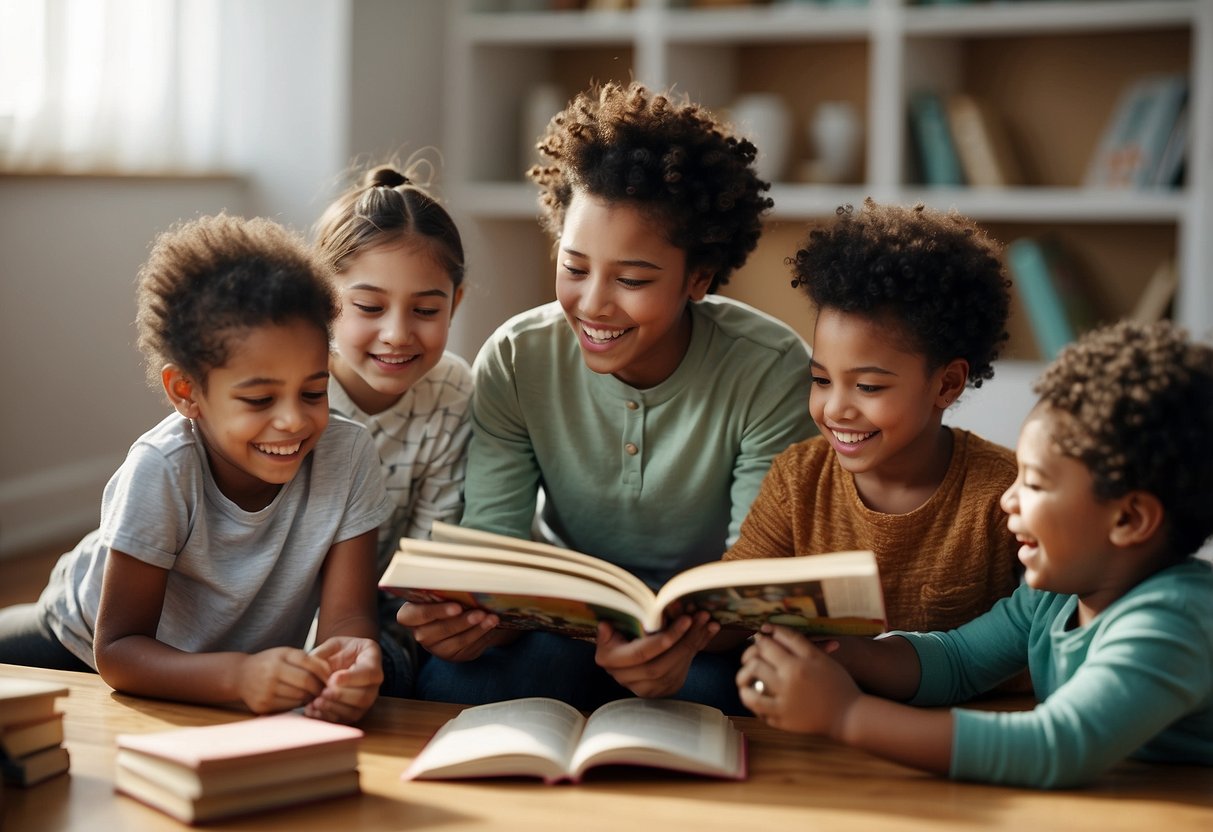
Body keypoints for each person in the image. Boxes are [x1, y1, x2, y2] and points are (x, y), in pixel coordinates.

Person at [398, 80, 815, 713]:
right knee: (457, 681)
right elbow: (495, 546)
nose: (593, 303)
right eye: (574, 266)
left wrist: (683, 644)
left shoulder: (770, 368)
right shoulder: (517, 357)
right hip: (560, 620)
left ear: (697, 277)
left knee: (722, 693)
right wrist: (475, 621)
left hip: (702, 636)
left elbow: (751, 586)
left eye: (633, 279)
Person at [738, 319, 1213, 789]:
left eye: (1035, 484)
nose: (1009, 498)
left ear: (1128, 520)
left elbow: (1055, 746)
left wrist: (845, 715)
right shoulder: (1054, 597)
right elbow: (960, 660)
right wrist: (852, 656)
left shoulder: (1173, 618)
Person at [0, 214, 392, 724]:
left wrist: (352, 663)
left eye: (314, 391)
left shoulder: (348, 454)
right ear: (186, 392)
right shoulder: (162, 469)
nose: (294, 419)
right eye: (259, 398)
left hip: (219, 676)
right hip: (77, 641)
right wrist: (237, 677)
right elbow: (118, 649)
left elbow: (348, 620)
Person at [724, 198, 1021, 634]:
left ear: (947, 384)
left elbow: (1044, 635)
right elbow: (730, 612)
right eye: (821, 380)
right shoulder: (797, 480)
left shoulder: (1004, 495)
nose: (836, 409)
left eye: (868, 387)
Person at [313, 161, 473, 698]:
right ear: (322, 298)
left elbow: (430, 560)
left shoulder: (453, 392)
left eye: (426, 309)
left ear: (457, 301)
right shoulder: (292, 388)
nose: (397, 334)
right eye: (369, 307)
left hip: (379, 616)